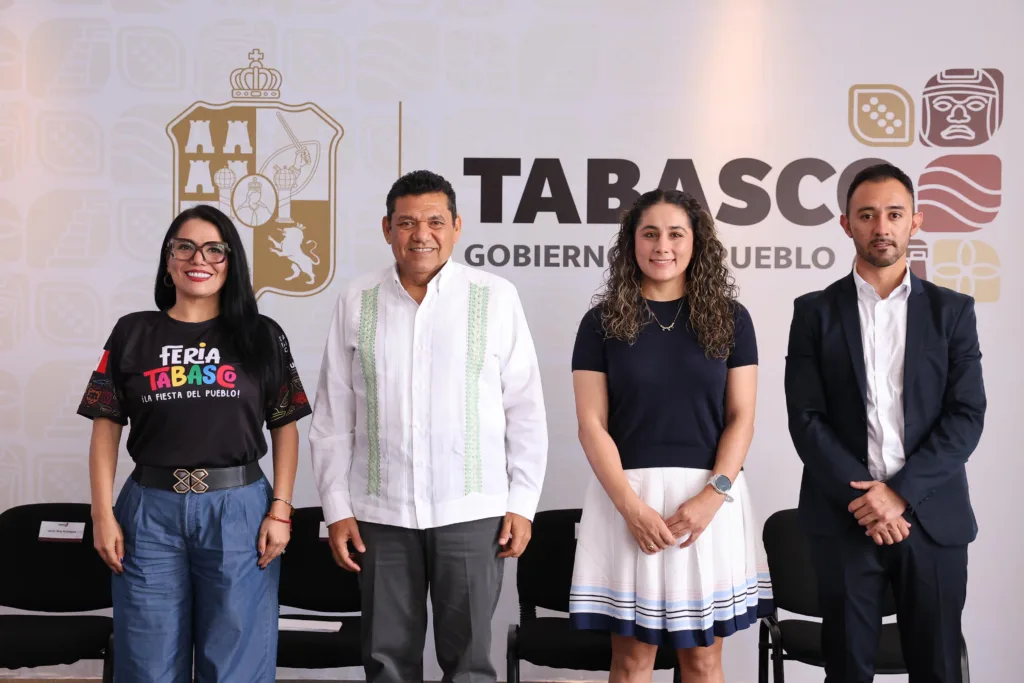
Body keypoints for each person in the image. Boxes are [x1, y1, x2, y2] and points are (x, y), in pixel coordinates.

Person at [309, 170, 548, 683]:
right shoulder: (357, 299)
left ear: (457, 227)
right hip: (380, 514)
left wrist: (522, 503)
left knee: (470, 664)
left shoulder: (494, 296)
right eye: (407, 222)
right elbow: (332, 414)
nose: (422, 234)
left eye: (436, 222)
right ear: (387, 228)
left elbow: (525, 408)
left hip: (472, 510)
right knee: (386, 662)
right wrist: (337, 509)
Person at [79, 204, 312, 681]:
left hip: (239, 510)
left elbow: (285, 426)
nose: (197, 259)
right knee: (146, 662)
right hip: (149, 512)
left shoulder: (263, 335)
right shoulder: (132, 332)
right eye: (184, 247)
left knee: (234, 664)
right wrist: (102, 514)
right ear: (168, 261)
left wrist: (281, 510)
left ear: (231, 261)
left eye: (213, 249)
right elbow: (105, 427)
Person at [784, 163, 986, 683]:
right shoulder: (813, 313)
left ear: (915, 221)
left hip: (932, 519)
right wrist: (868, 502)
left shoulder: (952, 312)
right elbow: (806, 418)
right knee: (847, 671)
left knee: (939, 669)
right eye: (867, 215)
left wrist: (899, 495)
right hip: (845, 518)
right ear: (846, 224)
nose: (881, 227)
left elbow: (966, 416)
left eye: (894, 214)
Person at [569, 189, 773, 683]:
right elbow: (591, 424)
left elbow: (741, 418)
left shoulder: (731, 318)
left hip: (708, 503)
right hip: (627, 499)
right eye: (650, 234)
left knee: (702, 662)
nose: (663, 246)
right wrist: (631, 508)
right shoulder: (599, 323)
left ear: (696, 242)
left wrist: (713, 496)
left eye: (676, 234)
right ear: (632, 243)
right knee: (631, 661)